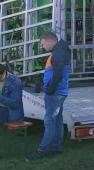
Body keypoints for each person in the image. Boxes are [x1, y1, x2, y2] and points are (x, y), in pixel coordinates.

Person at [27, 31, 71, 160]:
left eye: (42, 44)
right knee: (57, 120)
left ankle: (43, 150)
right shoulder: (60, 51)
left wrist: (50, 90)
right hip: (60, 92)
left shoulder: (58, 53)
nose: (42, 47)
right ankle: (56, 148)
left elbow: (58, 74)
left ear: (49, 40)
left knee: (50, 121)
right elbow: (56, 71)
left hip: (55, 93)